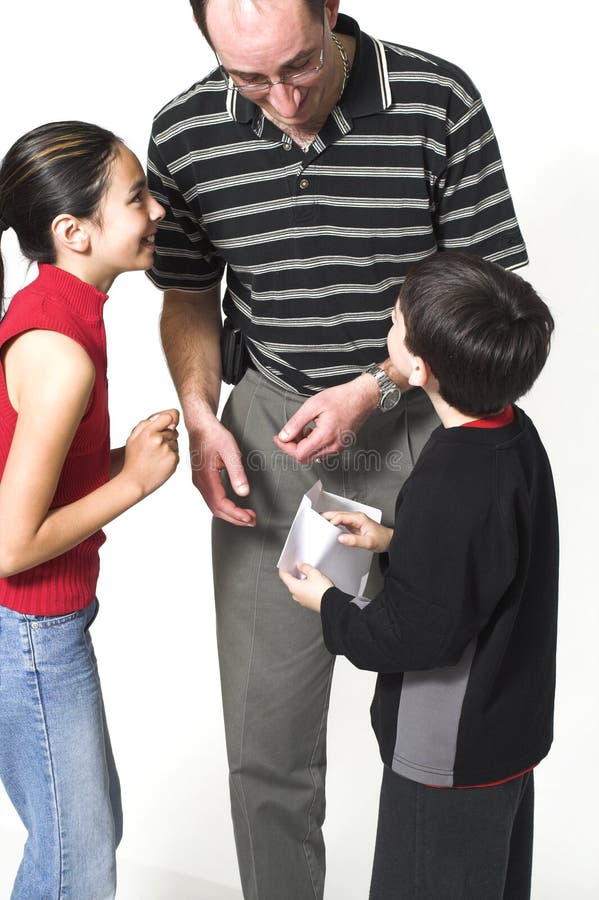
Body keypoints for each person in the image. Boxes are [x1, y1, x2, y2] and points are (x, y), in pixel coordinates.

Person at [147, 1, 529, 896]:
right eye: (248, 77)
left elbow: (491, 290)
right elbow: (188, 295)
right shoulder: (185, 129)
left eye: (298, 65)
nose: (279, 98)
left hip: (429, 431)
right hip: (271, 439)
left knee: (455, 736)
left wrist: (379, 386)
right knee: (265, 744)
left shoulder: (436, 99)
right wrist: (202, 414)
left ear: (330, 13)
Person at [280, 251, 558, 900]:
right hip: (507, 734)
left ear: (417, 367)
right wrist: (390, 541)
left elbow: (412, 636)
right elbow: (486, 558)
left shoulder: (446, 479)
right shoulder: (512, 437)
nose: (389, 322)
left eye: (396, 319)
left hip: (447, 752)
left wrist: (327, 603)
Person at [0, 121, 179, 900]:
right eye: (137, 196)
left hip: (38, 625)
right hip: (28, 628)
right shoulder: (59, 349)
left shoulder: (62, 311)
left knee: (84, 832)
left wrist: (121, 456)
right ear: (73, 232)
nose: (159, 211)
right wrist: (132, 482)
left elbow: (34, 487)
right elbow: (11, 544)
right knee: (78, 860)